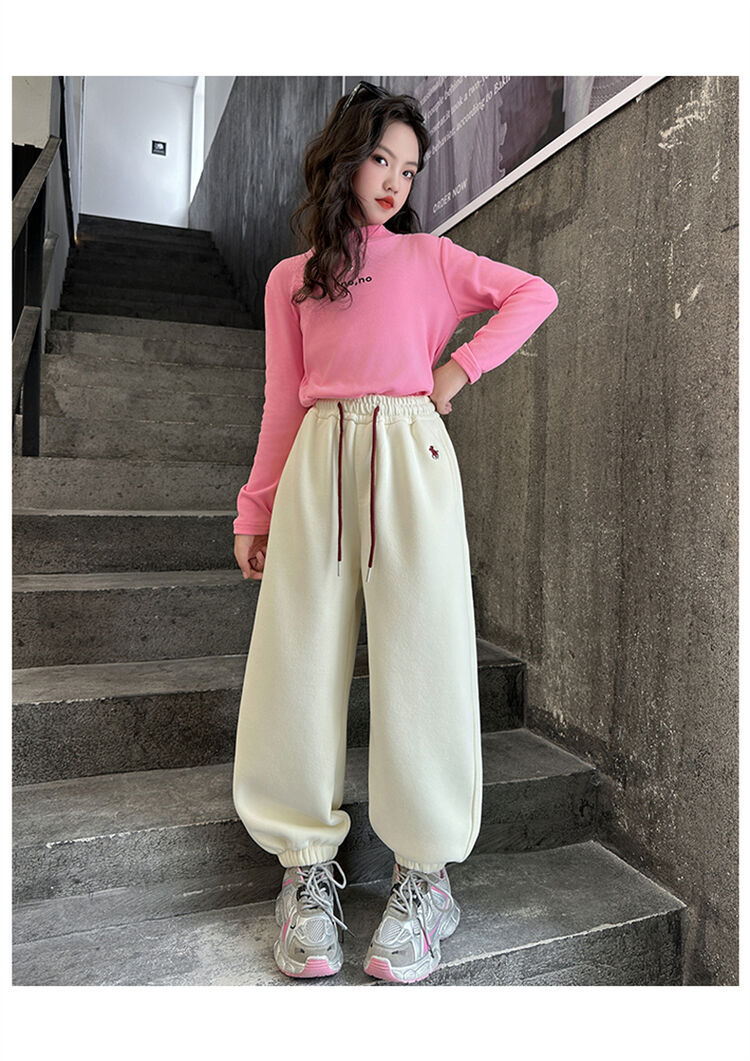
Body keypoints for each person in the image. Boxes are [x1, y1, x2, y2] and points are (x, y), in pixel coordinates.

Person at [232, 81, 558, 984]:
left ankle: (426, 879)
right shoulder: (291, 279)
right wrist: (255, 508)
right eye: (381, 159)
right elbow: (280, 403)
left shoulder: (431, 257)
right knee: (298, 658)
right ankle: (305, 869)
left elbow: (533, 293)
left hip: (411, 459)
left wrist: (458, 369)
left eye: (409, 170)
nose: (394, 182)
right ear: (346, 157)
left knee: (425, 657)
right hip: (317, 462)